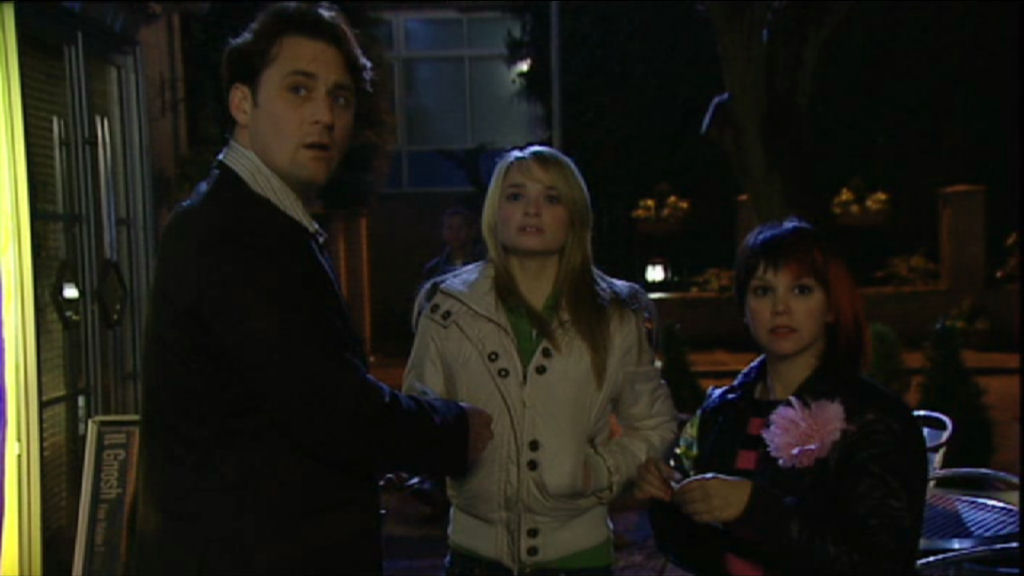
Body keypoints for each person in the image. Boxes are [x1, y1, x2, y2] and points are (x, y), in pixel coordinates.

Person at [134, 4, 493, 574]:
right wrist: (455, 430)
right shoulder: (232, 230)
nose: (324, 115)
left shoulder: (261, 221)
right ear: (242, 103)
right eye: (299, 90)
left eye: (340, 98)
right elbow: (329, 405)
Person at [403, 145, 678, 575]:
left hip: (579, 559)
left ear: (574, 216)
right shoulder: (447, 309)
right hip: (476, 557)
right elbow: (419, 418)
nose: (532, 209)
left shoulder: (615, 314)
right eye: (516, 196)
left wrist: (601, 471)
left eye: (551, 198)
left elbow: (653, 423)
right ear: (495, 212)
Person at [634, 217, 928, 575]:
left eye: (801, 290)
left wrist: (755, 510)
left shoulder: (872, 419)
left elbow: (880, 563)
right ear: (744, 309)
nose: (780, 308)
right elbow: (697, 553)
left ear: (831, 307)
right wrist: (668, 500)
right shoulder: (723, 414)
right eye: (763, 291)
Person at [422, 206, 487, 282]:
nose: (455, 233)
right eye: (449, 228)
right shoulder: (434, 269)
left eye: (460, 227)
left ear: (472, 231)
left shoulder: (484, 265)